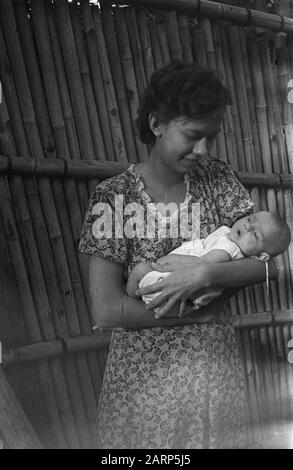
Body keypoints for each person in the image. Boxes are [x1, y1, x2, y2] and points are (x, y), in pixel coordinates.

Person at [79, 62, 280, 449]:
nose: (203, 150)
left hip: (210, 377)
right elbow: (105, 310)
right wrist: (199, 313)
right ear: (156, 124)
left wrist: (205, 277)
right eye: (192, 135)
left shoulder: (217, 179)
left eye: (211, 137)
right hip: (142, 383)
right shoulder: (114, 197)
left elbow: (264, 263)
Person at [127, 211, 291, 317]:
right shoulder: (228, 236)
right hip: (183, 297)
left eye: (255, 234)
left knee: (140, 270)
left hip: (168, 284)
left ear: (261, 256)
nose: (248, 226)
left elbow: (201, 265)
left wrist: (173, 261)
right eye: (250, 219)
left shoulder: (228, 249)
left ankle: (130, 295)